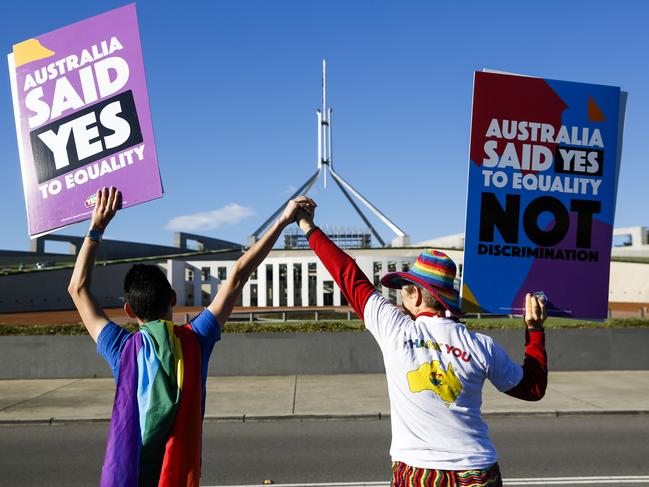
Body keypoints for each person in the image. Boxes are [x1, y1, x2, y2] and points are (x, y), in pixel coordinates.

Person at [294, 198, 547, 487]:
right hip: (478, 471)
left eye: (403, 290)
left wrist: (307, 225)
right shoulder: (482, 345)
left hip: (418, 473)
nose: (399, 296)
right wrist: (534, 330)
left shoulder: (394, 329)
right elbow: (533, 389)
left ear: (414, 294)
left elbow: (347, 274)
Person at [68, 187, 311, 487]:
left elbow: (78, 289)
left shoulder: (122, 349)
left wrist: (96, 228)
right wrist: (284, 220)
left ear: (129, 310)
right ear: (172, 298)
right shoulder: (196, 341)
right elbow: (237, 275)